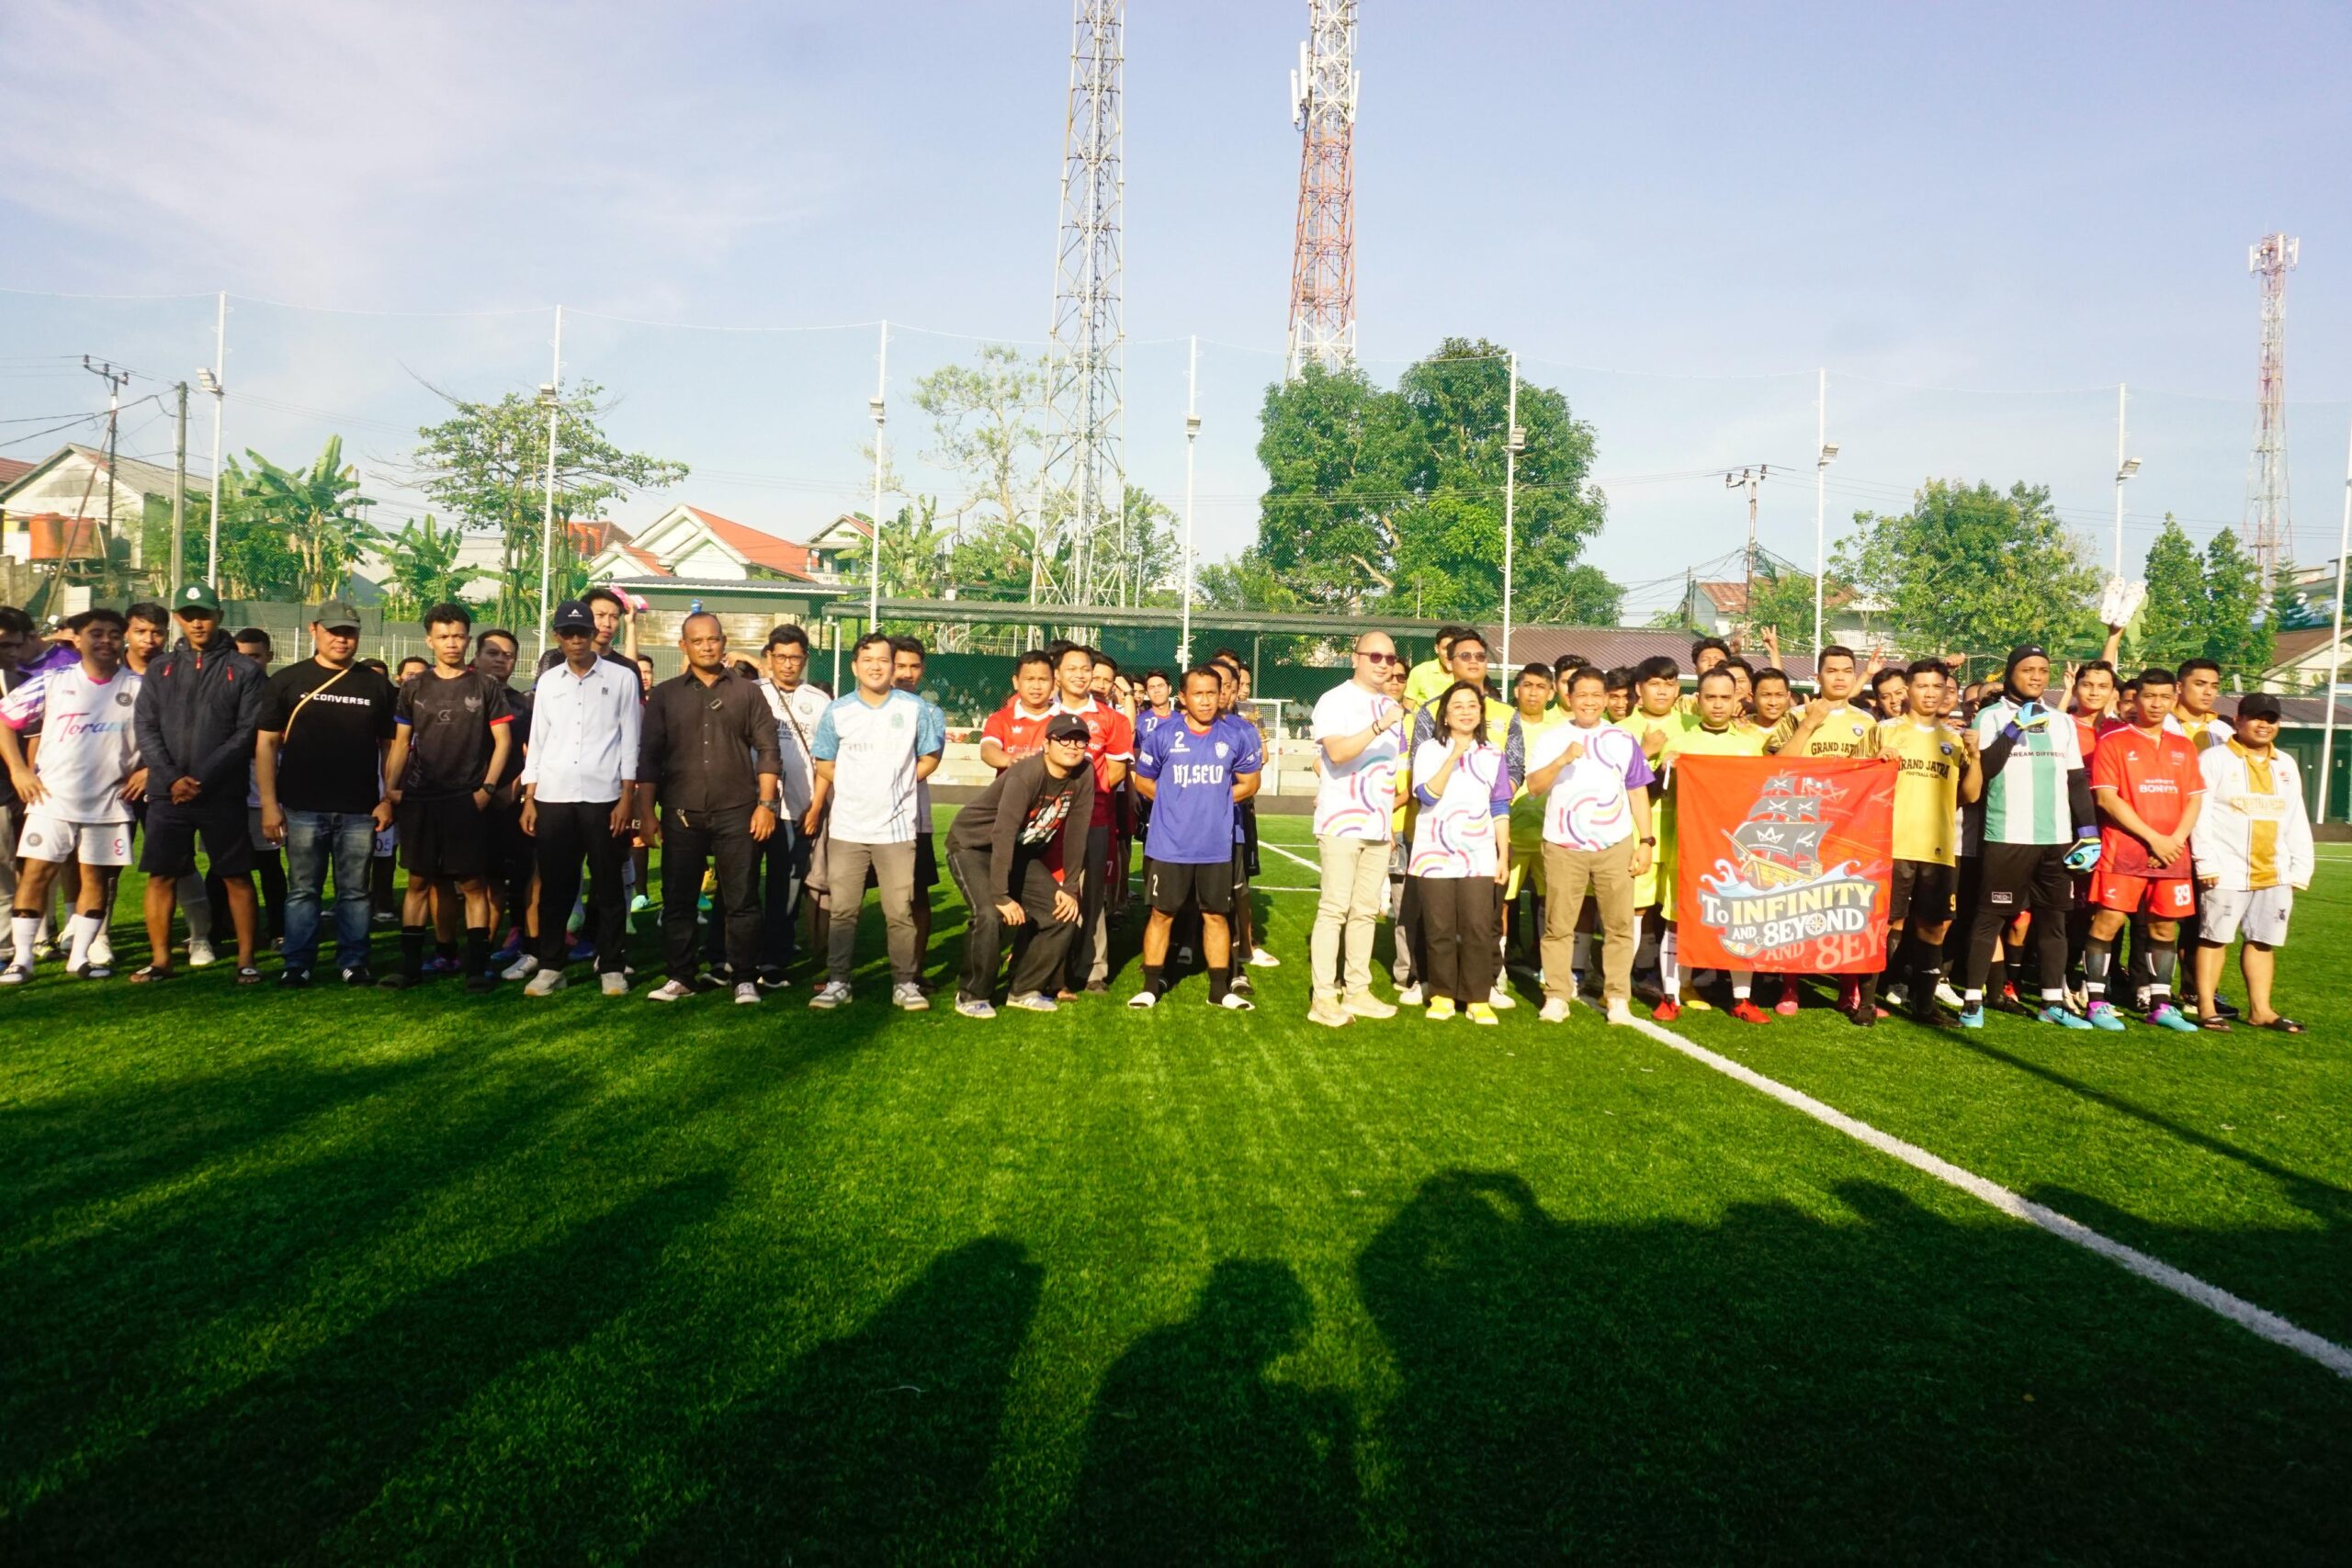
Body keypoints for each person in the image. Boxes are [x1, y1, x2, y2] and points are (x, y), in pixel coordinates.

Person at [638, 613, 781, 1005]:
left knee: (742, 898)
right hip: (681, 811)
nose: (706, 646)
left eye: (713, 639)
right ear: (683, 646)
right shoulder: (666, 695)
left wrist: (766, 805)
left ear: (724, 641)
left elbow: (769, 750)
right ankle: (680, 975)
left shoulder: (747, 693)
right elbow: (648, 757)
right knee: (678, 899)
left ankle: (744, 977)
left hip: (738, 809)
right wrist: (646, 814)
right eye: (697, 641)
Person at [254, 600, 396, 987]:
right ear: (314, 630)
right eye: (334, 631)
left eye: (349, 633)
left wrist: (388, 798)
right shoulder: (288, 680)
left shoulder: (376, 686)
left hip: (358, 809)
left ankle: (354, 961)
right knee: (303, 891)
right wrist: (269, 804)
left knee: (355, 892)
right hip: (302, 807)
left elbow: (391, 746)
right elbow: (265, 744)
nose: (342, 639)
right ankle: (297, 962)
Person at [129, 583, 266, 983]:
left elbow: (246, 732)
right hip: (167, 793)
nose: (197, 622)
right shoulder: (160, 669)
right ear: (178, 619)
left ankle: (246, 959)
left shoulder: (244, 670)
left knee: (236, 875)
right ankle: (161, 961)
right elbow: (146, 727)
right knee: (162, 875)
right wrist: (172, 778)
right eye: (188, 615)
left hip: (220, 792)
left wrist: (202, 778)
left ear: (219, 616)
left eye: (204, 614)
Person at [1960, 645, 2098, 1030]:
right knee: (1990, 919)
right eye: (2028, 669)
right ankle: (1972, 1001)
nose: (2036, 676)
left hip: (2056, 838)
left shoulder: (2062, 721)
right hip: (2007, 835)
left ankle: (2052, 1002)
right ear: (2011, 673)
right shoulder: (1990, 716)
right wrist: (2013, 728)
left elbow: (2075, 780)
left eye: (2042, 670)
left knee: (2053, 921)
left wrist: (2088, 833)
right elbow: (1986, 770)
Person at [1, 609, 142, 981]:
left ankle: (79, 958)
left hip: (110, 803)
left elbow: (165, 735)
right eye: (96, 633)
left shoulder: (140, 688)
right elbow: (5, 719)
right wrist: (18, 770)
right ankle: (22, 960)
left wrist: (148, 770)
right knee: (35, 874)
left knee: (95, 879)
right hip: (52, 800)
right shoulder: (52, 681)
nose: (106, 640)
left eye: (114, 634)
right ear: (77, 639)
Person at [379, 602, 512, 992]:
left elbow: (503, 742)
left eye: (458, 636)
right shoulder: (413, 687)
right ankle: (410, 967)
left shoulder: (485, 686)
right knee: (419, 881)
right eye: (443, 636)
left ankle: (476, 969)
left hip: (465, 799)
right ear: (429, 640)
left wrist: (487, 789)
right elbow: (400, 744)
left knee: (472, 884)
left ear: (468, 639)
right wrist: (388, 793)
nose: (451, 643)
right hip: (420, 799)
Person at [806, 631, 943, 1010]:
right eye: (868, 660)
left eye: (883, 660)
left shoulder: (914, 709)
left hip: (897, 830)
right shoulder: (838, 711)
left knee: (899, 912)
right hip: (847, 829)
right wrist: (854, 784)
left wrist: (901, 783)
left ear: (891, 665)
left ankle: (905, 983)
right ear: (855, 667)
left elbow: (931, 756)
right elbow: (824, 762)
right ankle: (838, 981)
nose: (876, 667)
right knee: (843, 911)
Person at [513, 600, 641, 997]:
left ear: (593, 633)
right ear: (557, 637)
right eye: (568, 634)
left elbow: (631, 740)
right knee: (556, 887)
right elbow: (538, 739)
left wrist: (627, 798)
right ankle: (552, 966)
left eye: (582, 632)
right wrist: (530, 797)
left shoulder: (622, 677)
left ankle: (612, 965)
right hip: (553, 797)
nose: (576, 640)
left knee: (608, 885)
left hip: (605, 797)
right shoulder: (550, 682)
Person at [1522, 666, 1656, 1026]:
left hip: (1614, 844)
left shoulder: (1622, 739)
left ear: (1607, 698)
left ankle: (1617, 998)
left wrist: (1646, 841)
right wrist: (1562, 759)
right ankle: (1556, 995)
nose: (1590, 702)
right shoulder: (1552, 737)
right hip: (1563, 845)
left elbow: (1637, 791)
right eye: (1582, 695)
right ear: (1568, 697)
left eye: (1598, 695)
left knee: (1619, 925)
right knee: (1558, 925)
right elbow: (1534, 786)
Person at [1128, 664, 1262, 1010]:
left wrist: (1215, 799)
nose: (1205, 700)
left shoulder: (1235, 735)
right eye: (1197, 694)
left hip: (1215, 846)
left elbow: (1250, 783)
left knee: (1215, 916)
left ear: (1221, 696)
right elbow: (1142, 780)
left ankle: (1219, 990)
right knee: (1162, 914)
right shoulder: (1162, 735)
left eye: (1211, 693)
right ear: (1183, 698)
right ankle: (1150, 985)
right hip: (1168, 845)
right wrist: (1175, 801)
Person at [2081, 669, 2205, 1032]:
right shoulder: (2114, 742)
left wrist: (2175, 840)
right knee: (2109, 922)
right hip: (2125, 852)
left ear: (2175, 697)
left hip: (2172, 855)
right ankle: (2096, 1001)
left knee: (2165, 928)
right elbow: (2107, 798)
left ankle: (2160, 1005)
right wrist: (2154, 839)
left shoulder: (2183, 746)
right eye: (2149, 696)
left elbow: (2195, 800)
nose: (2156, 704)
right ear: (2135, 698)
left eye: (2164, 697)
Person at [946, 714, 1095, 1017]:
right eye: (1064, 739)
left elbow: (1077, 832)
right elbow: (1002, 832)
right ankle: (972, 994)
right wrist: (1001, 895)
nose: (1073, 746)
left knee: (1062, 914)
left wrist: (1069, 887)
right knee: (989, 915)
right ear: (1046, 744)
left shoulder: (1084, 772)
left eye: (1080, 741)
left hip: (1018, 852)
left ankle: (1025, 989)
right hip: (974, 846)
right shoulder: (1026, 774)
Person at [1649, 667, 1765, 1022]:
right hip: (1688, 849)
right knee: (1677, 921)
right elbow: (1652, 792)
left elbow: (1762, 798)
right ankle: (1671, 996)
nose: (1717, 704)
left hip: (1736, 853)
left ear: (1736, 700)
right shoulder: (1679, 744)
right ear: (1698, 700)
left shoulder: (1749, 746)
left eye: (1725, 698)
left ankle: (1742, 999)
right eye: (1710, 697)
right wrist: (1664, 769)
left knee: (1741, 922)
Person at [1869, 660, 1982, 1026]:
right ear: (1908, 690)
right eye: (1923, 686)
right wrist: (1876, 762)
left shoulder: (1954, 739)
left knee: (1932, 927)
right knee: (1883, 924)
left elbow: (1969, 795)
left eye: (1938, 687)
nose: (1931, 693)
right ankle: (1865, 1000)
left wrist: (1977, 757)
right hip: (1893, 845)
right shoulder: (1883, 731)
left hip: (1938, 849)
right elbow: (1857, 782)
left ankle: (1924, 1005)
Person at [2190, 694, 2310, 1032]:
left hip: (2274, 870)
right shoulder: (2215, 759)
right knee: (2215, 937)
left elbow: (2295, 816)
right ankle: (2206, 1007)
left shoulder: (2285, 764)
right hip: (2226, 868)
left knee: (2262, 940)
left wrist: (2300, 867)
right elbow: (2200, 814)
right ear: (2238, 721)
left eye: (2270, 719)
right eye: (2256, 717)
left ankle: (2261, 1010)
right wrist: (2205, 861)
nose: (2263, 725)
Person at [1305, 633, 1408, 1028]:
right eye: (1375, 656)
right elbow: (1337, 753)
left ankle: (1357, 990)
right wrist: (1379, 725)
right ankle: (1323, 997)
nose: (1383, 664)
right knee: (1334, 909)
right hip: (1341, 822)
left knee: (1366, 911)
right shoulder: (1335, 700)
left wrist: (1388, 825)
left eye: (1390, 658)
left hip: (1377, 825)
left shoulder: (1390, 706)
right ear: (1355, 658)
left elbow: (1387, 774)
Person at [1408, 682, 1515, 1023]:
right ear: (1445, 715)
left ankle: (1477, 997)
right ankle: (1442, 994)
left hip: (1479, 853)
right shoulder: (1428, 750)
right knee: (1439, 926)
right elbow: (1426, 795)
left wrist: (1502, 855)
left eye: (1472, 705)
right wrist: (1453, 755)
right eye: (1458, 706)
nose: (1466, 711)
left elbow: (1500, 806)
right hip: (1433, 852)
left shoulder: (1493, 754)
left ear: (1481, 713)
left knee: (1478, 927)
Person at [747, 624, 827, 986]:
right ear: (769, 657)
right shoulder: (751, 693)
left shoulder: (819, 700)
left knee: (788, 885)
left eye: (795, 657)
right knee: (743, 882)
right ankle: (735, 952)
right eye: (780, 657)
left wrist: (816, 806)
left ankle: (774, 959)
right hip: (753, 808)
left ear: (805, 659)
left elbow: (827, 759)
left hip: (798, 810)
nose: (788, 664)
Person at [1049, 642, 1132, 995]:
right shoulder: (1042, 713)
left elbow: (1115, 772)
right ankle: (1050, 967)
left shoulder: (1113, 719)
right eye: (1072, 669)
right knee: (1048, 894)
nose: (1081, 675)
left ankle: (1094, 969)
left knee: (1093, 896)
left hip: (1093, 820)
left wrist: (1080, 800)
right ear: (1057, 674)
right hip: (1048, 822)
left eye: (1086, 669)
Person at [473, 627, 537, 968]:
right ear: (476, 655)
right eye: (493, 653)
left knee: (500, 876)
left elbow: (535, 752)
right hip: (461, 799)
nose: (500, 660)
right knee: (461, 879)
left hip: (505, 803)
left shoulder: (522, 704)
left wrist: (513, 789)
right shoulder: (458, 692)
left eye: (508, 655)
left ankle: (490, 946)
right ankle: (452, 949)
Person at [890, 636, 949, 988]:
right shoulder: (864, 706)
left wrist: (891, 784)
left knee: (917, 895)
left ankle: (914, 971)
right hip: (864, 817)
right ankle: (839, 972)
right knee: (849, 897)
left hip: (913, 817)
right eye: (900, 665)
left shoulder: (930, 712)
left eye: (914, 666)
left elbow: (930, 760)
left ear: (923, 670)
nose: (907, 673)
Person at [981, 651, 1060, 771]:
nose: (1036, 686)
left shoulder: (1066, 720)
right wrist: (1010, 760)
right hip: (1011, 782)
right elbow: (987, 749)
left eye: (1043, 679)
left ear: (1054, 683)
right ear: (1016, 682)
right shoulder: (1000, 719)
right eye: (1029, 679)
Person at [1402, 626, 1467, 713]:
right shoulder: (1420, 672)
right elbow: (1407, 711)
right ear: (1437, 649)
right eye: (1445, 648)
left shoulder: (1468, 675)